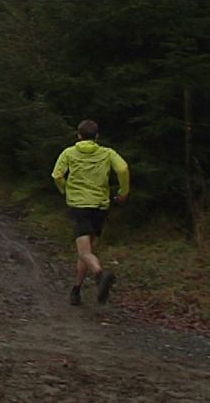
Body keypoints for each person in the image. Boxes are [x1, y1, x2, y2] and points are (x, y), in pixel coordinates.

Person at [51, 120, 130, 305]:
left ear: (78, 135)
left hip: (79, 205)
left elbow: (57, 175)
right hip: (100, 206)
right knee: (87, 249)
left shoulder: (69, 153)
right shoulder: (107, 153)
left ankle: (100, 274)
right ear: (97, 137)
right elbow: (123, 168)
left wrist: (65, 190)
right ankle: (76, 290)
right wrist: (123, 192)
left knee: (84, 251)